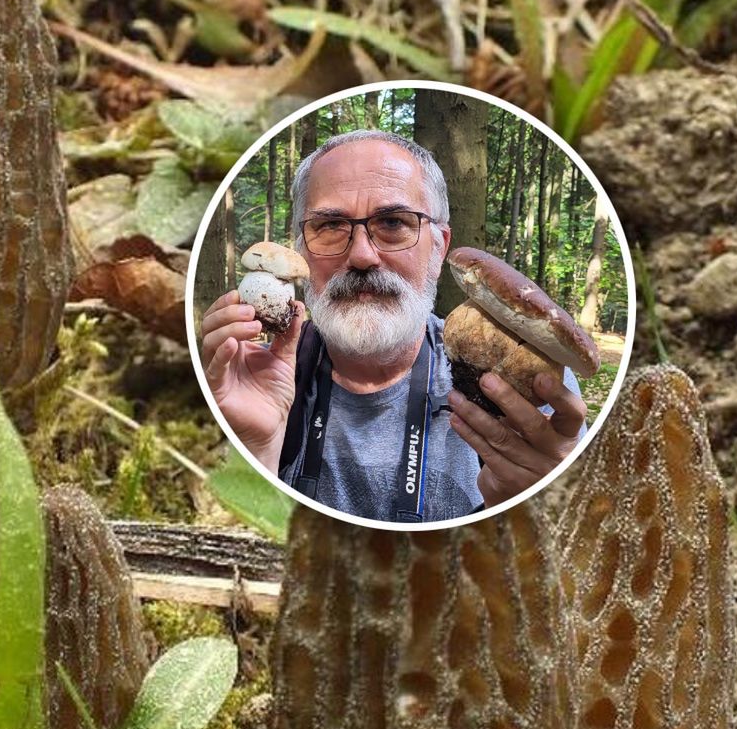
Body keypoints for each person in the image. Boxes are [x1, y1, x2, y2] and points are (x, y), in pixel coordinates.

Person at [200, 129, 587, 521]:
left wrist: (536, 508)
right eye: (331, 226)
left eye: (393, 222)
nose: (363, 255)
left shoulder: (518, 393)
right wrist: (254, 445)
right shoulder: (257, 378)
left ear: (439, 248)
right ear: (301, 249)